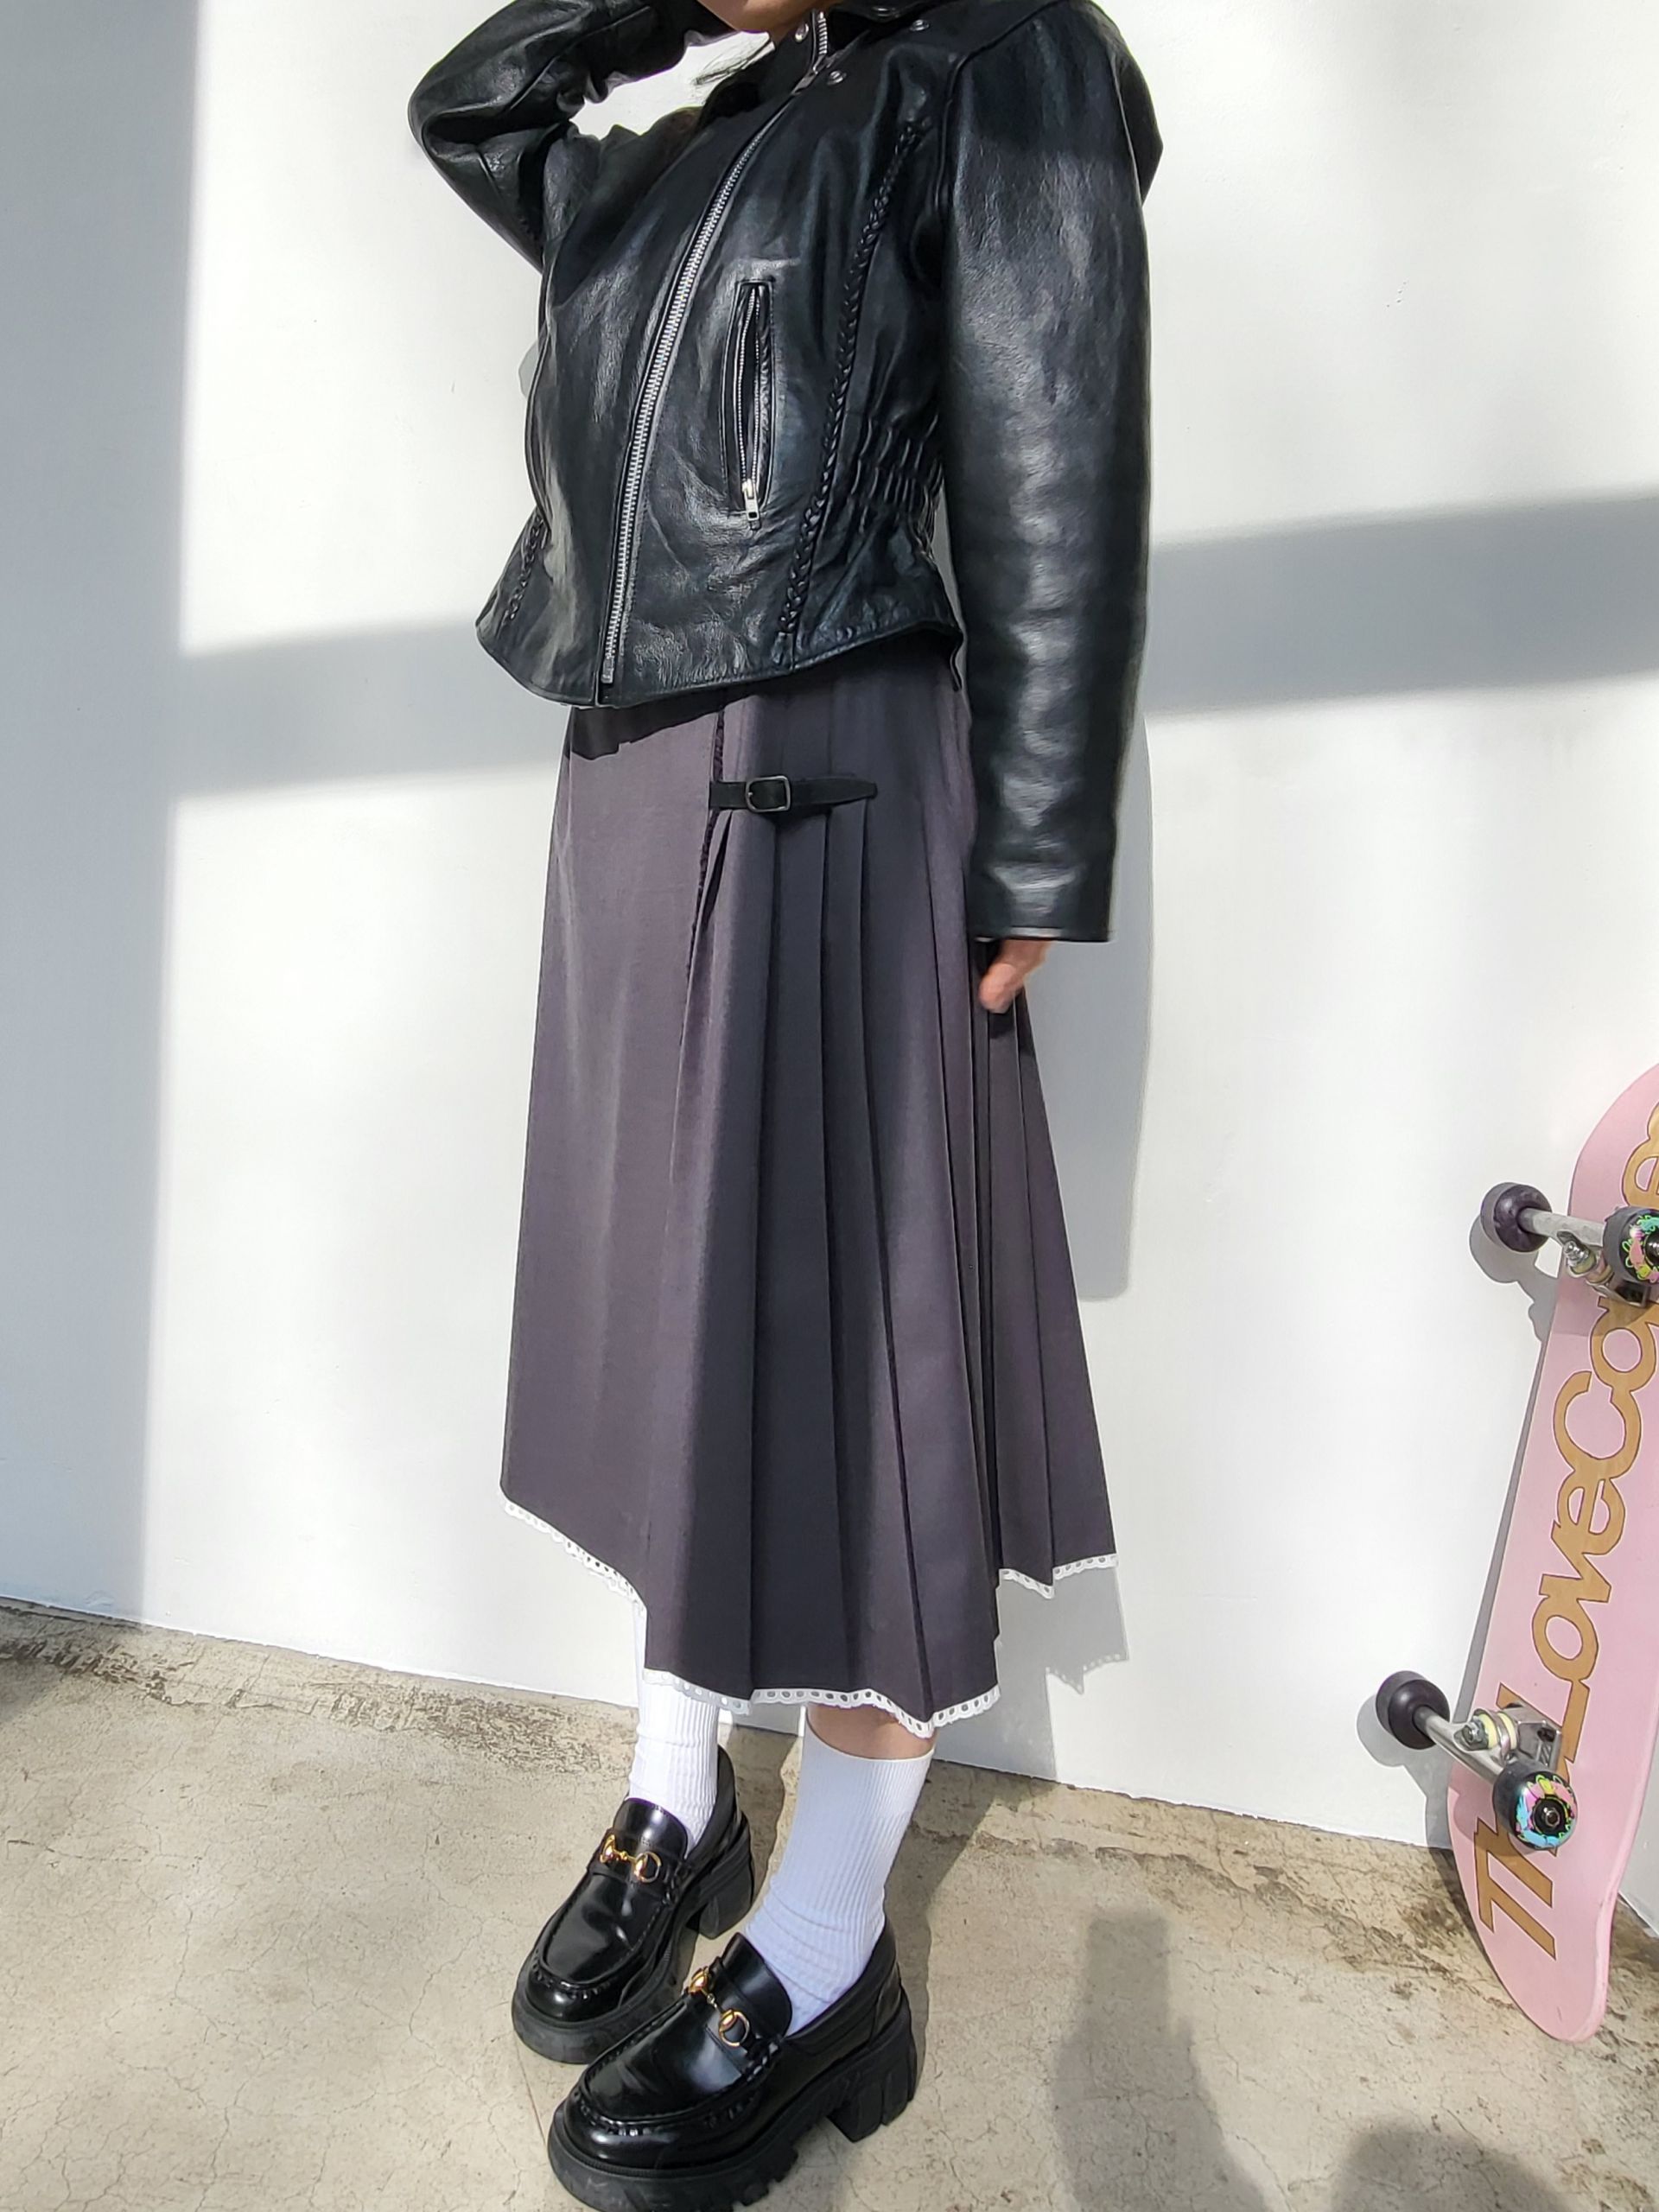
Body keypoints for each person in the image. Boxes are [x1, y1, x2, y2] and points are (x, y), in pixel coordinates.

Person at [408, 0, 1160, 2201]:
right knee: (668, 1320)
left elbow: (1057, 436)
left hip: (834, 773)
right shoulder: (722, 114)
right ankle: (682, 1787)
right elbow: (473, 110)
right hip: (640, 783)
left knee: (856, 1365)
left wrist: (1037, 840)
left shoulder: (1000, 57)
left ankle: (829, 1948)